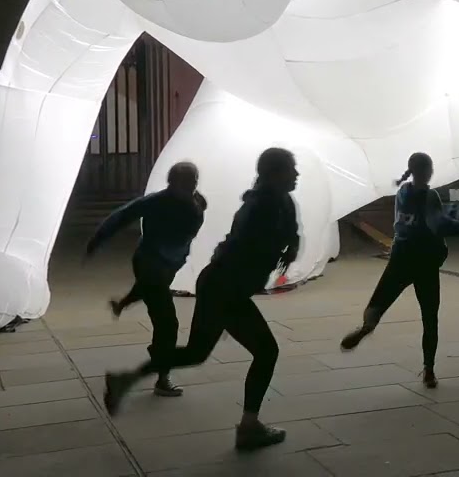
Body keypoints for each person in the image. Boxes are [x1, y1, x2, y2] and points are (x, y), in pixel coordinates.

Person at [103, 147, 301, 451]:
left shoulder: (273, 200)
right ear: (275, 174)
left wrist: (290, 245)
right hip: (226, 288)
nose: (296, 174)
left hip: (221, 286)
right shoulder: (265, 205)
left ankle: (126, 379)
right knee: (266, 351)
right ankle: (249, 427)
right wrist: (226, 310)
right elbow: (245, 247)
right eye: (291, 169)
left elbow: (281, 235)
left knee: (196, 353)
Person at [340, 153, 459, 388]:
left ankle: (367, 327)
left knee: (380, 300)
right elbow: (439, 224)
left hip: (401, 257)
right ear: (429, 171)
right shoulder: (429, 196)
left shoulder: (402, 192)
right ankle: (429, 370)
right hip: (425, 262)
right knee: (429, 317)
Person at [84, 161, 206, 398]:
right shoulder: (156, 202)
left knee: (148, 290)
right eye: (185, 182)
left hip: (169, 264)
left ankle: (121, 304)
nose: (190, 187)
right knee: (167, 323)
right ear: (171, 183)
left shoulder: (196, 202)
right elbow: (121, 216)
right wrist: (97, 240)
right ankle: (162, 377)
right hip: (150, 263)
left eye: (193, 181)